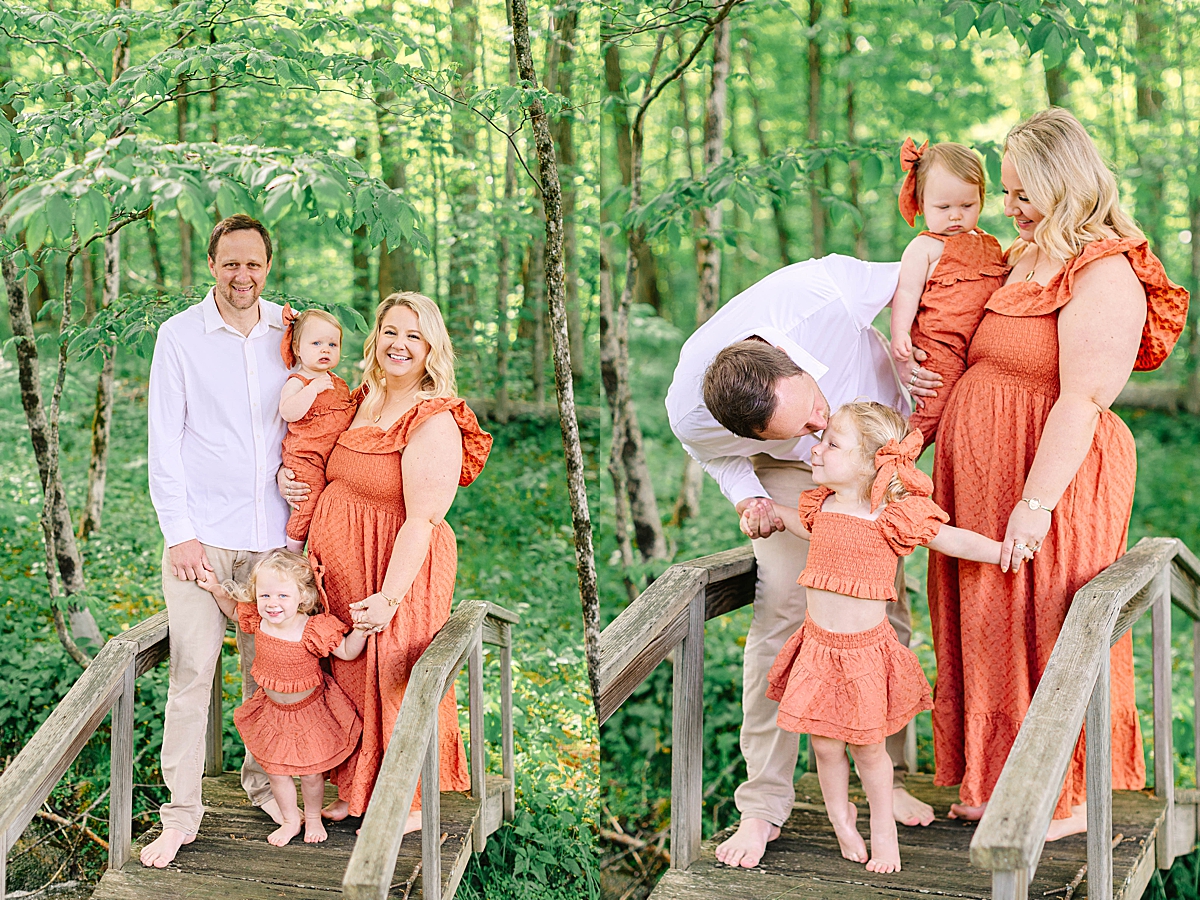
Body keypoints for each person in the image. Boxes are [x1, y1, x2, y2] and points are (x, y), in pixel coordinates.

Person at [928, 108, 1190, 840]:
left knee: (1048, 614)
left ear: (1065, 183)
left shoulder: (1105, 269)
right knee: (986, 618)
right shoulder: (1019, 255)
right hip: (982, 471)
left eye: (1022, 192)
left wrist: (1035, 503)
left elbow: (1082, 397)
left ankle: (1065, 797)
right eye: (1005, 192)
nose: (1008, 206)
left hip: (1053, 471)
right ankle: (995, 778)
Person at [665, 255, 945, 869]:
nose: (817, 426)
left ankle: (886, 775)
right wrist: (751, 497)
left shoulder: (822, 291)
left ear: (791, 362)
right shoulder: (692, 412)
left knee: (880, 615)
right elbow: (719, 459)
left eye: (814, 409)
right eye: (798, 427)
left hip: (876, 455)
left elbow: (919, 267)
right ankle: (763, 803)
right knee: (787, 612)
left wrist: (906, 350)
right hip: (796, 481)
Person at [754, 402, 1004, 873]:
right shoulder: (820, 505)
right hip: (817, 648)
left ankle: (885, 837)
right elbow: (798, 523)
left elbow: (951, 540)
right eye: (821, 439)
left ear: (872, 461)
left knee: (869, 751)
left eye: (832, 444)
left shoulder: (892, 517)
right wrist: (766, 512)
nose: (817, 449)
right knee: (824, 745)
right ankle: (841, 819)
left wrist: (1001, 551)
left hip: (865, 654)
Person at [295, 292, 493, 834]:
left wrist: (389, 596)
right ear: (374, 338)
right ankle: (358, 789)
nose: (398, 345)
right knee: (350, 675)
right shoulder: (362, 398)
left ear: (432, 346)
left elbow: (423, 518)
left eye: (413, 335)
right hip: (343, 563)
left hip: (396, 564)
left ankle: (411, 799)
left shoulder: (434, 418)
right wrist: (297, 486)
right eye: (390, 332)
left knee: (394, 672)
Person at [142, 214, 292, 867]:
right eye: (231, 263)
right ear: (212, 264)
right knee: (192, 674)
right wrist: (180, 535)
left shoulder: (289, 330)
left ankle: (268, 787)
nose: (242, 276)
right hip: (200, 542)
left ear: (267, 265)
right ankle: (180, 814)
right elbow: (163, 443)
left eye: (253, 264)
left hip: (274, 544)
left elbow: (322, 410)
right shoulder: (179, 337)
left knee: (270, 675)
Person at [198, 550, 366, 847]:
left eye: (282, 596)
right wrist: (215, 589)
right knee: (276, 772)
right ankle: (290, 820)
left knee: (312, 774)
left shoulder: (312, 628)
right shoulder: (257, 618)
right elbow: (234, 612)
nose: (272, 603)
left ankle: (313, 818)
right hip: (272, 711)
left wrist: (363, 631)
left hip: (311, 711)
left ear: (302, 596)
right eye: (265, 596)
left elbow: (347, 652)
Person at [888, 139, 1009, 449]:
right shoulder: (924, 247)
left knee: (968, 419)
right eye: (943, 208)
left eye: (966, 206)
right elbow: (906, 292)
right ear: (921, 204)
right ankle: (895, 461)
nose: (955, 216)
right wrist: (899, 332)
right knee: (933, 410)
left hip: (981, 349)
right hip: (941, 345)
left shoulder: (989, 244)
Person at [278, 305, 356, 553]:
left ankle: (320, 550)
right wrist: (311, 389)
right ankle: (293, 554)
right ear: (298, 349)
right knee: (308, 502)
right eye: (317, 343)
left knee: (329, 505)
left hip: (330, 458)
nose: (325, 349)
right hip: (305, 457)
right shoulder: (298, 381)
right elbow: (288, 412)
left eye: (333, 345)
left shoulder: (337, 382)